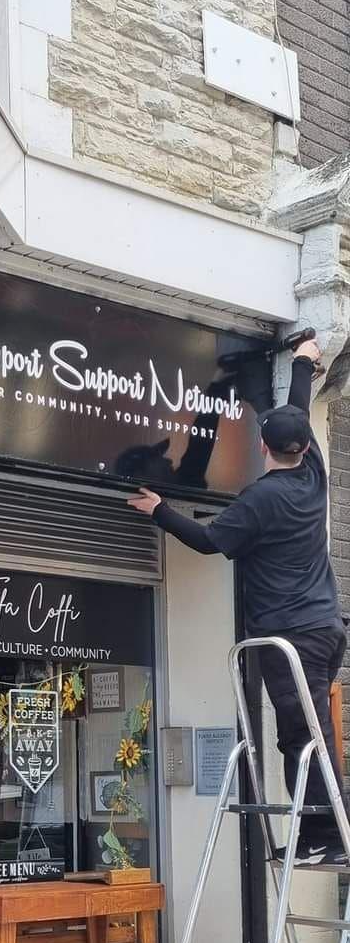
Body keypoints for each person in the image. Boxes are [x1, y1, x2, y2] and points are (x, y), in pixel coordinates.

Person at [128, 338, 348, 864]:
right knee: (304, 733)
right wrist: (302, 361)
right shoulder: (313, 476)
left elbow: (208, 541)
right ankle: (319, 834)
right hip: (322, 629)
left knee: (303, 735)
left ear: (262, 447)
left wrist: (159, 509)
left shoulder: (260, 501)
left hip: (288, 636)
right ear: (300, 448)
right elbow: (295, 411)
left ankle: (327, 838)